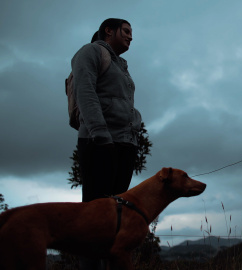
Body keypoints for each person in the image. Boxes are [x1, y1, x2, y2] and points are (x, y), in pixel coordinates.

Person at [71, 18, 142, 269]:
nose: (131, 37)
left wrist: (135, 127)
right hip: (99, 141)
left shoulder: (121, 64)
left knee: (116, 215)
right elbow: (85, 92)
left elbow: (123, 102)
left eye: (132, 33)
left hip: (124, 143)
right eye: (126, 31)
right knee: (94, 216)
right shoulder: (89, 52)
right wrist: (100, 134)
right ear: (108, 31)